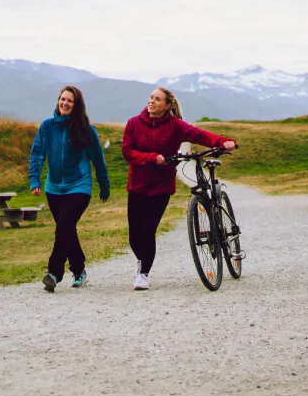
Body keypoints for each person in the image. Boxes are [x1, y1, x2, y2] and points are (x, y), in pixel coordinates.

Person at [121, 87, 236, 291]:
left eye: (157, 99)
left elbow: (200, 135)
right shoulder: (134, 123)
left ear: (167, 105)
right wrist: (152, 158)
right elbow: (128, 151)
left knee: (148, 231)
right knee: (134, 236)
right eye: (151, 97)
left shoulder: (175, 125)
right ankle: (143, 259)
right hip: (137, 186)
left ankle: (143, 273)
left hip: (161, 187)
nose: (152, 101)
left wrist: (223, 142)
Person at [29, 85, 111, 292]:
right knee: (67, 230)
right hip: (54, 187)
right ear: (58, 101)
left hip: (79, 186)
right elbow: (37, 153)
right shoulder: (47, 127)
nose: (65, 103)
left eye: (70, 101)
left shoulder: (86, 129)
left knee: (63, 227)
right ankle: (79, 270)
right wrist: (34, 180)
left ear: (76, 105)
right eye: (62, 99)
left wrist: (104, 185)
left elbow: (98, 159)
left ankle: (54, 273)